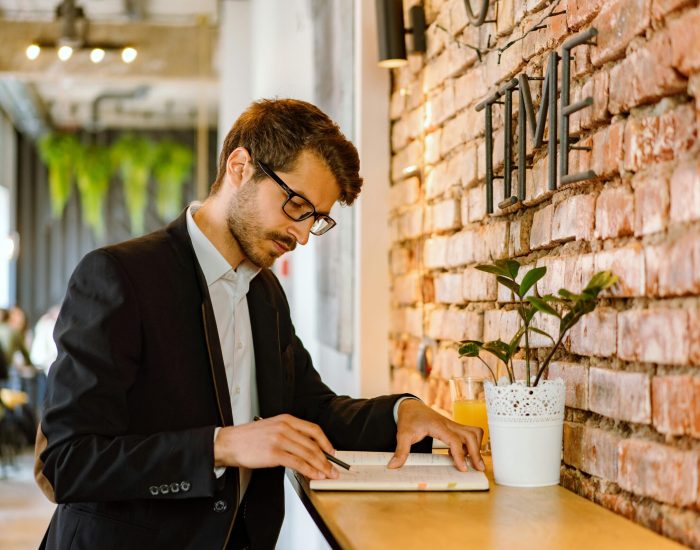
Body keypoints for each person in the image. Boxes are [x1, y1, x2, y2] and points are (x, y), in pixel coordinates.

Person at [35, 99, 484, 550]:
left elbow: (312, 410)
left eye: (317, 219)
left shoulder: (265, 294)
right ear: (240, 166)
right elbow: (68, 461)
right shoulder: (120, 276)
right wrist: (220, 446)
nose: (304, 234)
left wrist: (402, 411)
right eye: (296, 205)